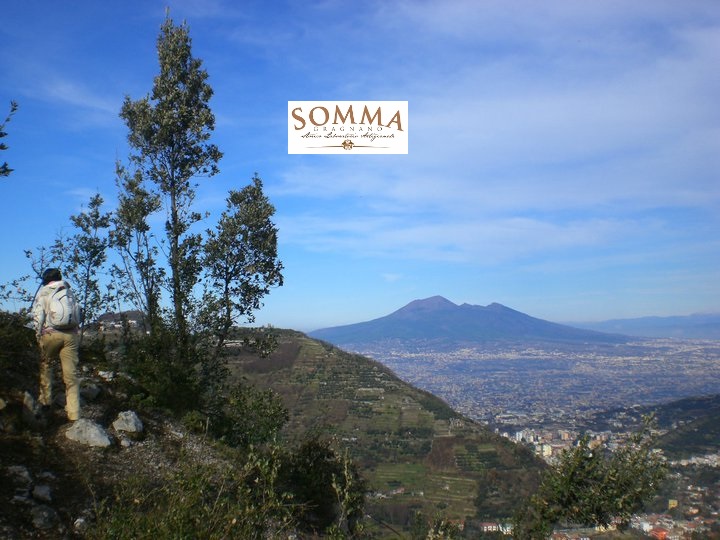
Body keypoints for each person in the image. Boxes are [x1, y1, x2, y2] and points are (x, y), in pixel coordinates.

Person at [31, 268, 81, 422]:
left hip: (51, 335)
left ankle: (45, 401)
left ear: (46, 279)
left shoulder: (44, 292)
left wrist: (38, 336)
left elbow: (38, 316)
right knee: (71, 376)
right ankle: (74, 414)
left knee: (46, 366)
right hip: (71, 336)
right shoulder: (69, 292)